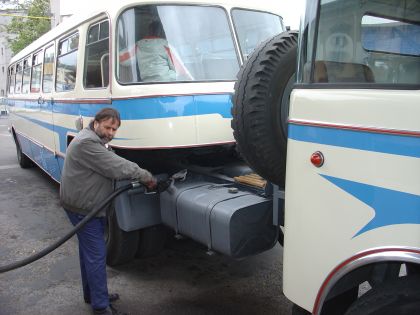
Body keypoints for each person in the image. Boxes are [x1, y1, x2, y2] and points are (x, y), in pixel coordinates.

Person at [60, 108, 156, 315]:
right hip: (84, 209)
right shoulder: (87, 143)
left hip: (82, 204)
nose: (111, 132)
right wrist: (146, 176)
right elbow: (117, 166)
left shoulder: (94, 140)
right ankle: (101, 306)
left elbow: (110, 157)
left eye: (114, 129)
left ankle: (93, 294)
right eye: (107, 127)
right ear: (96, 123)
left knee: (88, 253)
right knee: (96, 255)